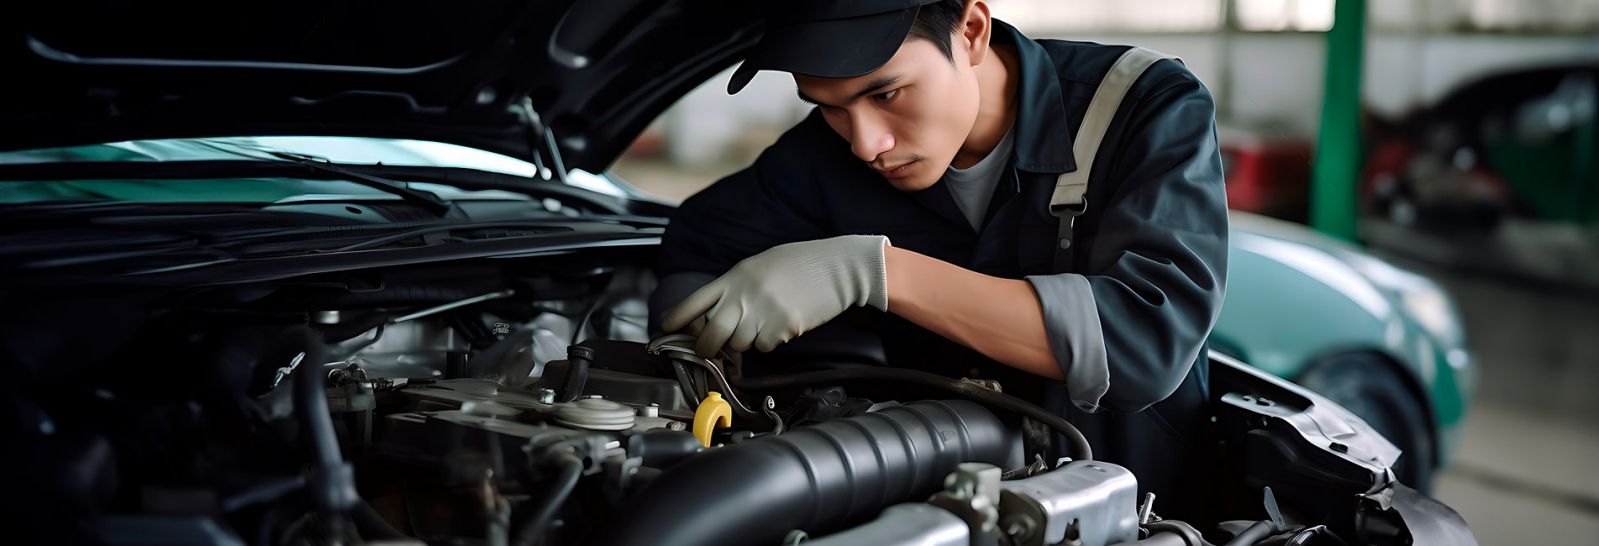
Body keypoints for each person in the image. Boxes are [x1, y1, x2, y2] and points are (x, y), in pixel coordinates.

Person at [650, 0, 1228, 510]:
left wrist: (873, 272)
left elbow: (1142, 342)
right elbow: (703, 243)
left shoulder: (1138, 105)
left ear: (971, 31)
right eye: (829, 106)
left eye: (886, 93)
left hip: (1133, 507)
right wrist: (701, 359)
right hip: (934, 502)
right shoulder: (824, 152)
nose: (865, 144)